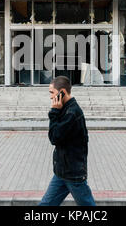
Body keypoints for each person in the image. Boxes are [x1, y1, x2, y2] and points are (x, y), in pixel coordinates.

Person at [38, 76, 96, 206]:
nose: (50, 97)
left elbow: (54, 137)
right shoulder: (65, 110)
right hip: (61, 173)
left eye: (52, 93)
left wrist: (53, 112)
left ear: (62, 92)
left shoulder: (72, 113)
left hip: (73, 175)